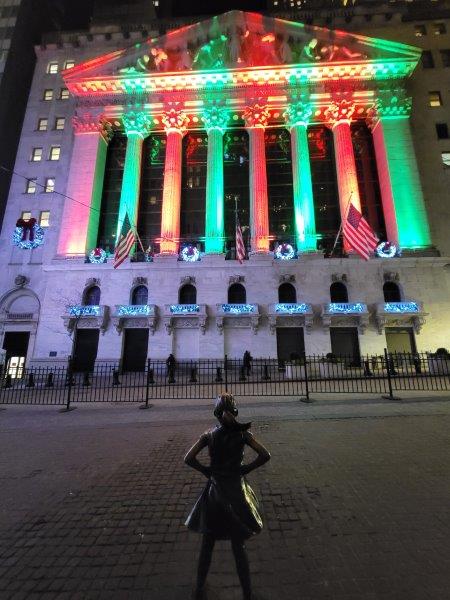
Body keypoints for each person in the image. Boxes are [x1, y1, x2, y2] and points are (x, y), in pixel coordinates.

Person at [185, 393, 271, 600]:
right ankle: (247, 593)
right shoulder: (243, 435)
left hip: (215, 492)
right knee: (238, 545)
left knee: (208, 543)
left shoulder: (209, 435)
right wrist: (245, 469)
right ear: (235, 412)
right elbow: (265, 455)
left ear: (215, 413)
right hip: (237, 493)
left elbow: (188, 458)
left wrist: (206, 471)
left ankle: (198, 588)